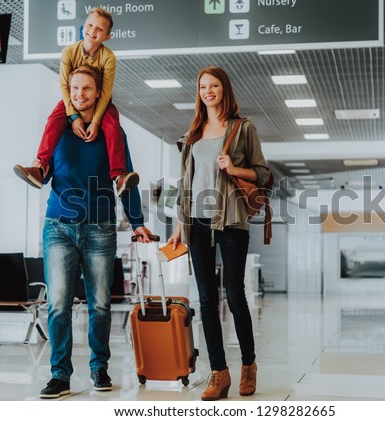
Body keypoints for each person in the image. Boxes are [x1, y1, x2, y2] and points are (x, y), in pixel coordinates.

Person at [39, 65, 153, 399]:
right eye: (74, 88)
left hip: (100, 227)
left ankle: (98, 367)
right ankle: (60, 375)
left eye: (87, 89)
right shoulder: (59, 127)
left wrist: (137, 222)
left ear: (99, 93)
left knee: (100, 305)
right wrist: (39, 168)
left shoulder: (111, 130)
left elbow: (126, 178)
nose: (80, 95)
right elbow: (44, 172)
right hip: (58, 225)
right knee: (58, 305)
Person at [167, 66, 272, 401]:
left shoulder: (243, 128)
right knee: (206, 300)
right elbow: (185, 183)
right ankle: (218, 373)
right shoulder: (194, 132)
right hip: (196, 221)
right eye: (202, 87)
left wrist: (234, 168)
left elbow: (263, 174)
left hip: (230, 220)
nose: (207, 91)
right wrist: (177, 225)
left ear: (224, 89)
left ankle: (248, 366)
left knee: (235, 295)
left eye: (213, 86)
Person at [14, 7, 138, 196]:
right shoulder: (69, 52)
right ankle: (39, 168)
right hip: (70, 100)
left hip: (101, 101)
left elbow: (104, 92)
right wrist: (73, 116)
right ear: (83, 26)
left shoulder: (109, 58)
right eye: (89, 25)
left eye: (99, 29)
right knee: (53, 121)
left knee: (113, 127)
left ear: (107, 36)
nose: (92, 31)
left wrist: (96, 121)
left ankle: (118, 176)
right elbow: (64, 85)